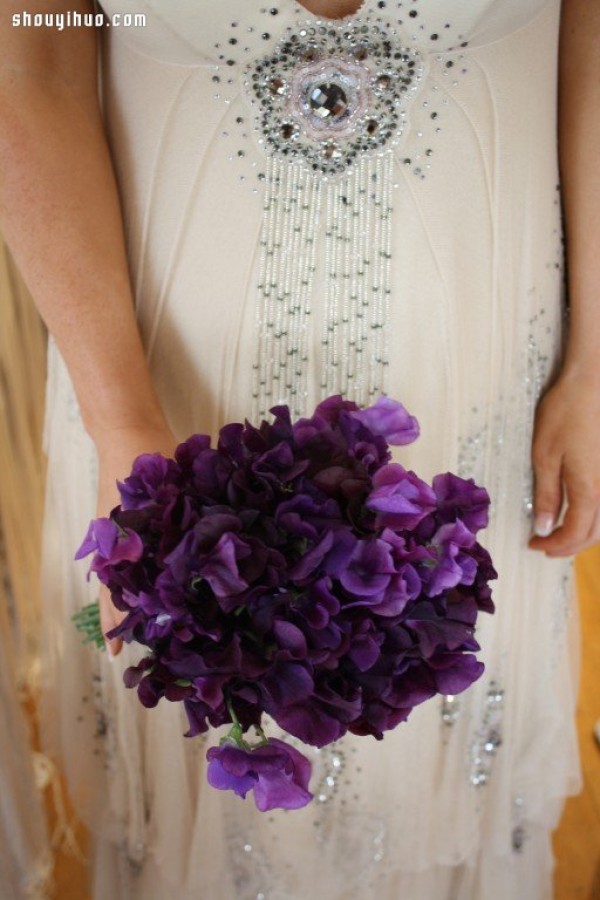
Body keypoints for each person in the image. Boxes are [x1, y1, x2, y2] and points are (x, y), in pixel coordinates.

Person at [0, 0, 598, 897]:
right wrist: (121, 419)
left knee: (444, 724)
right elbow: (32, 68)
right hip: (155, 374)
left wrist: (594, 363)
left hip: (484, 353)